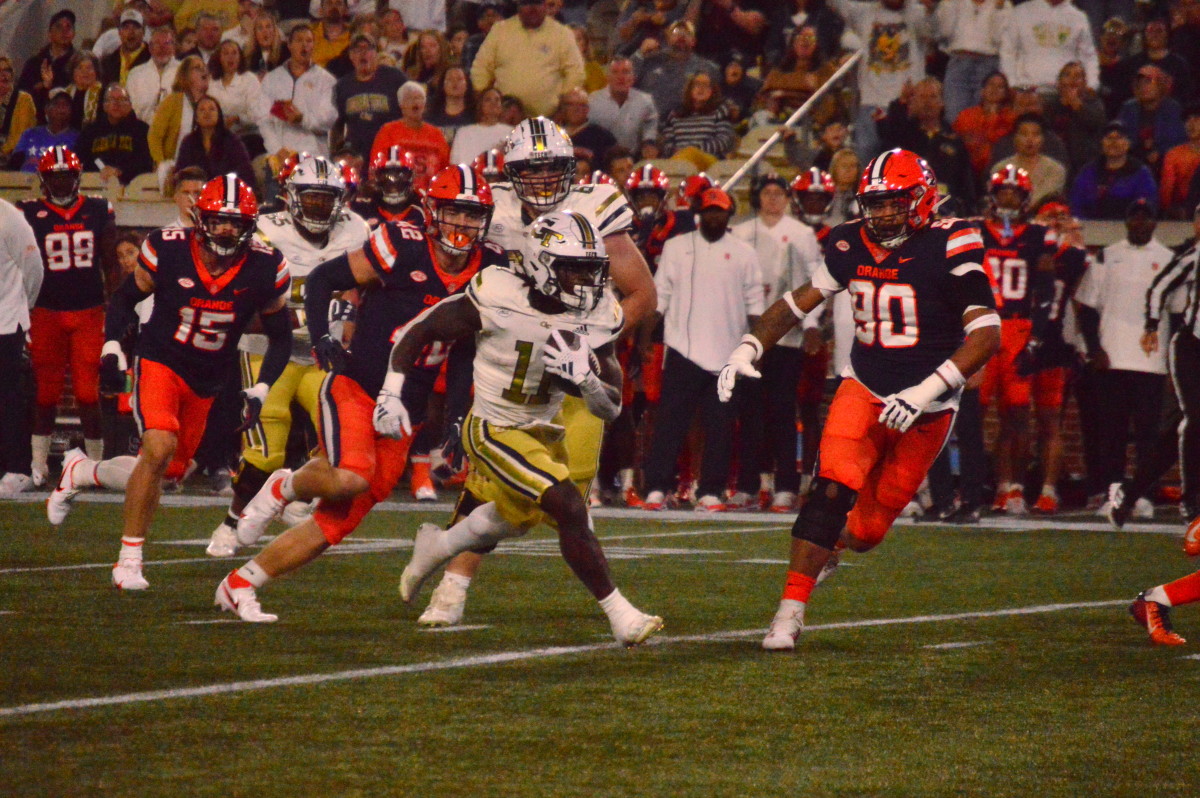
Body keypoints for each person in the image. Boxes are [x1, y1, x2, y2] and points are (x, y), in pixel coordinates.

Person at [717, 148, 1000, 650]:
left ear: (922, 199)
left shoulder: (954, 239)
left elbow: (986, 334)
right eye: (876, 203)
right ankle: (788, 614)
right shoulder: (849, 241)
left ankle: (833, 547)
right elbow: (797, 301)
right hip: (864, 387)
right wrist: (750, 345)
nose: (884, 213)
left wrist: (926, 390)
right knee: (830, 488)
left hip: (929, 406)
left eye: (894, 203)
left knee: (867, 532)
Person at [208, 165, 502, 618]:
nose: (461, 225)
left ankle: (242, 582)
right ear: (432, 212)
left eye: (471, 215)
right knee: (352, 476)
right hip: (357, 385)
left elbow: (465, 353)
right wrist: (325, 334)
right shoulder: (401, 244)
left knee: (338, 520)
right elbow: (325, 279)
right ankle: (283, 485)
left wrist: (459, 415)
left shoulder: (490, 269)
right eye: (453, 212)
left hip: (409, 409)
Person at [414, 117, 655, 628]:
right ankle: (453, 587)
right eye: (532, 171)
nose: (544, 181)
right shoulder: (492, 206)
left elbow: (642, 295)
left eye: (553, 171)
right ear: (511, 172)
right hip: (511, 361)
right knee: (490, 480)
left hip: (577, 364)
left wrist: (586, 345)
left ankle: (443, 554)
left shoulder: (594, 206)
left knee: (567, 489)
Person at [383, 208, 664, 646]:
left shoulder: (596, 313)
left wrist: (587, 379)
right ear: (541, 263)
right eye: (574, 269)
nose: (585, 282)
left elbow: (610, 408)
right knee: (569, 506)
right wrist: (390, 391)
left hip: (544, 429)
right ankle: (621, 615)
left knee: (514, 520)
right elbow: (418, 331)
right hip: (493, 427)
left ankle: (436, 547)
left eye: (590, 270)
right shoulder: (498, 293)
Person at [46, 174, 293, 592]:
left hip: (209, 378)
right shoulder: (170, 248)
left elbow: (281, 335)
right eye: (218, 220)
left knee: (167, 470)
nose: (227, 230)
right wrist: (111, 347)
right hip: (161, 359)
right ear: (201, 219)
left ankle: (82, 471)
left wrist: (262, 387)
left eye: (235, 222)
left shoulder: (266, 264)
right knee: (158, 446)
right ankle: (129, 558)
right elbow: (126, 298)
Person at [206, 156, 370, 556]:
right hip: (269, 349)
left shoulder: (356, 229)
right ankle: (231, 522)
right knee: (266, 451)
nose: (318, 208)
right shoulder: (264, 230)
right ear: (290, 198)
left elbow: (361, 288)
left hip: (323, 354)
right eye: (310, 199)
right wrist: (286, 321)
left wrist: (350, 319)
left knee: (341, 442)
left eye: (326, 199)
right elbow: (239, 302)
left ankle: (294, 495)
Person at [641, 188, 763, 512]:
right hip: (683, 348)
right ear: (698, 213)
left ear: (729, 214)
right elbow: (660, 296)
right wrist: (646, 338)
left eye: (719, 211)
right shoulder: (675, 247)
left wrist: (756, 349)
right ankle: (656, 488)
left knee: (720, 427)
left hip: (728, 354)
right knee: (669, 423)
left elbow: (756, 306)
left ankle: (711, 491)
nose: (714, 217)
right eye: (708, 211)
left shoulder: (743, 253)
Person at [16, 147, 117, 487]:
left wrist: (116, 308)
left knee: (88, 394)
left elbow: (111, 266)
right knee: (46, 393)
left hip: (89, 311)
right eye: (54, 175)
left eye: (67, 175)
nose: (61, 181)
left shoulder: (98, 209)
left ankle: (97, 466)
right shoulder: (28, 212)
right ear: (44, 179)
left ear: (77, 177)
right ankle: (39, 464)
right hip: (46, 312)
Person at [730, 175, 824, 512]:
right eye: (767, 192)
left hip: (787, 334)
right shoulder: (742, 232)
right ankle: (749, 484)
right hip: (751, 334)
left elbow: (814, 283)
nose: (773, 199)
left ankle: (786, 484)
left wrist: (811, 323)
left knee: (784, 411)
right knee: (750, 412)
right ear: (757, 197)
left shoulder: (801, 234)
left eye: (779, 192)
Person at [1075, 198, 1173, 513]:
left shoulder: (1169, 259)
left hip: (1151, 361)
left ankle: (1143, 495)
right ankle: (1112, 493)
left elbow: (1180, 312)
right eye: (1135, 217)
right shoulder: (1107, 256)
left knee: (1147, 434)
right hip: (1111, 359)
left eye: (1146, 218)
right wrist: (1094, 349)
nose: (1140, 223)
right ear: (1127, 221)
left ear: (1155, 223)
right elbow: (1087, 307)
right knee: (1111, 433)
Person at [1108, 202, 1200, 529]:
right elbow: (1160, 285)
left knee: (1176, 432)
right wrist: (1150, 325)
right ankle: (1192, 505)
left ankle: (1130, 495)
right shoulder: (1195, 255)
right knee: (1195, 420)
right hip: (1193, 346)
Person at [975, 166, 1058, 515]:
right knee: (971, 412)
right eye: (1003, 191)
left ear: (1025, 198)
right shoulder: (975, 231)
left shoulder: (1040, 236)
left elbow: (1046, 292)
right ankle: (981, 485)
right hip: (980, 325)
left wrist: (1036, 338)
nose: (1008, 197)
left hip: (1017, 326)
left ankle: (1015, 487)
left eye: (1015, 192)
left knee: (1017, 414)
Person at [829, 0, 932, 163]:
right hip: (872, 102)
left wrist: (930, 8)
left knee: (904, 162)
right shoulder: (864, 13)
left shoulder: (917, 13)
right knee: (866, 158)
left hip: (907, 105)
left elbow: (933, 33)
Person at [470, 0, 584, 118]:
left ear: (545, 5)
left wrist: (563, 107)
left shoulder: (562, 33)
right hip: (504, 118)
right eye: (526, 3)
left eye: (537, 3)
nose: (532, 8)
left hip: (549, 118)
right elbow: (480, 68)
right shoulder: (499, 30)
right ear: (518, 6)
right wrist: (483, 101)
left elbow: (576, 73)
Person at [0, 198, 44, 498]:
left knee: (8, 398)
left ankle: (17, 469)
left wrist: (21, 308)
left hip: (5, 321)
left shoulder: (8, 217)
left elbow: (34, 268)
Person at [261, 24, 338, 160]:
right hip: (279, 156)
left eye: (309, 41)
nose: (304, 45)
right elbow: (263, 120)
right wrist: (277, 149)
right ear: (289, 45)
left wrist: (302, 119)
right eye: (299, 40)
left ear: (313, 45)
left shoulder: (326, 80)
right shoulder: (272, 79)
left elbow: (328, 120)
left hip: (314, 156)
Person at [931, 0, 1011, 126]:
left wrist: (999, 8)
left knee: (982, 120)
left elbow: (998, 38)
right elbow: (944, 32)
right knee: (954, 118)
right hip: (959, 63)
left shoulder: (1003, 4)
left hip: (988, 66)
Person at [998, 0, 1098, 94]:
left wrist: (1091, 85)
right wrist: (1012, 84)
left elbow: (1088, 56)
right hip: (1028, 91)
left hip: (1066, 93)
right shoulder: (1020, 12)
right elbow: (1008, 52)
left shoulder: (1078, 17)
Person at [333, 32, 405, 162]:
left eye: (368, 49)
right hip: (357, 154)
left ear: (376, 53)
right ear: (351, 56)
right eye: (357, 49)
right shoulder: (343, 85)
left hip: (391, 150)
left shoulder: (394, 78)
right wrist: (336, 153)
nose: (363, 53)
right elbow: (337, 125)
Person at [630, 20, 720, 120]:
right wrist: (639, 54)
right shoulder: (650, 59)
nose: (681, 37)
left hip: (683, 125)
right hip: (644, 122)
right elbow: (626, 80)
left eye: (686, 34)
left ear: (694, 41)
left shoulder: (706, 68)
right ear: (668, 39)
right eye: (676, 33)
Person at [369, 82, 449, 191]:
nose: (415, 102)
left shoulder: (436, 134)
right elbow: (375, 167)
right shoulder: (388, 131)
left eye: (419, 98)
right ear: (401, 104)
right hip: (397, 194)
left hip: (430, 196)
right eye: (409, 98)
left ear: (424, 104)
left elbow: (445, 170)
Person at [1069, 121, 1157, 220]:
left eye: (1119, 137)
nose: (1113, 142)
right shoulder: (1088, 172)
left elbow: (1146, 208)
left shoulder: (1141, 173)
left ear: (1128, 143)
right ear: (1102, 143)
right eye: (1109, 138)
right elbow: (1076, 205)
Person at [76, 84, 155, 186]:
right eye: (111, 99)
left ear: (130, 104)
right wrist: (102, 169)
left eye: (122, 99)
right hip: (95, 185)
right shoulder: (91, 131)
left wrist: (119, 171)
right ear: (104, 105)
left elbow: (145, 163)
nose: (116, 104)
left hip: (131, 187)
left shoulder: (142, 130)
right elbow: (83, 159)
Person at [1116, 65, 1187, 175]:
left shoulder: (1173, 109)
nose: (1144, 87)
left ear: (1160, 85)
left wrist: (1160, 152)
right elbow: (1120, 135)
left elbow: (1179, 140)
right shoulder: (1128, 108)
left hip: (1165, 164)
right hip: (1133, 162)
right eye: (1140, 83)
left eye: (1148, 82)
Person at [657, 72, 736, 171]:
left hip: (709, 163)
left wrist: (695, 150)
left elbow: (723, 141)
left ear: (713, 90)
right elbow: (667, 143)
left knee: (690, 153)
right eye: (697, 84)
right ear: (690, 88)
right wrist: (678, 151)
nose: (701, 89)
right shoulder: (675, 114)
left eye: (706, 85)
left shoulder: (720, 111)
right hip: (679, 159)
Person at [174, 95, 256, 187]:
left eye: (212, 109)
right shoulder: (188, 142)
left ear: (219, 115)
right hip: (196, 193)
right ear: (196, 118)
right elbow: (180, 173)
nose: (207, 113)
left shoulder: (232, 140)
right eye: (202, 110)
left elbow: (246, 173)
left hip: (226, 193)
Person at [989, 114, 1067, 210]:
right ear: (1014, 138)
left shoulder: (1055, 169)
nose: (1030, 140)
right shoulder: (1001, 168)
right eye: (1024, 134)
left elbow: (1045, 199)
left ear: (1043, 139)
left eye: (1035, 134)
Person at [587, 57, 658, 158]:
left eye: (625, 72)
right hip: (600, 159)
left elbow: (650, 125)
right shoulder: (592, 101)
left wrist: (648, 142)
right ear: (607, 77)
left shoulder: (645, 101)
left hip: (633, 158)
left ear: (633, 77)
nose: (620, 77)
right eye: (615, 72)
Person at [148, 55, 210, 168]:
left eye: (204, 67)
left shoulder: (210, 103)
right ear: (185, 75)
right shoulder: (172, 101)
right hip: (172, 168)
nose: (203, 70)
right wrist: (162, 165)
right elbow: (154, 136)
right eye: (197, 67)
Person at [206, 38, 265, 156]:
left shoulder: (249, 79)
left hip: (248, 137)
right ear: (219, 58)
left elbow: (258, 114)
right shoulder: (212, 82)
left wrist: (237, 118)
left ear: (240, 57)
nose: (230, 57)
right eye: (226, 53)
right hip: (219, 137)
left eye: (234, 53)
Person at [952, 71, 1015, 179]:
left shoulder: (1012, 118)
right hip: (968, 172)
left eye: (1000, 87)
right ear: (982, 90)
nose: (994, 89)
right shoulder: (965, 116)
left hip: (1002, 172)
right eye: (991, 85)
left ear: (1006, 93)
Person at [350, 146, 426, 228]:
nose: (393, 183)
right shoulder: (363, 205)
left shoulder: (422, 204)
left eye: (400, 176)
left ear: (411, 177)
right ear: (377, 177)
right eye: (386, 176)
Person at [9, 89, 79, 173]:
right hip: (26, 182)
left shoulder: (78, 138)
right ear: (46, 109)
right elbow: (14, 164)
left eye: (66, 105)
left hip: (60, 183)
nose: (61, 109)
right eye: (56, 104)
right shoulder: (30, 134)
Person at [17, 10, 78, 98]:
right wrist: (43, 86)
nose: (64, 31)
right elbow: (21, 95)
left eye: (69, 27)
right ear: (49, 33)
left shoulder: (77, 63)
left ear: (73, 34)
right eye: (59, 26)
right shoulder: (34, 63)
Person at [128, 26, 181, 124]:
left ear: (174, 47)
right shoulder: (135, 74)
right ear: (150, 48)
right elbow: (131, 109)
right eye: (157, 44)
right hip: (143, 130)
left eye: (166, 43)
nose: (162, 48)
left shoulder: (184, 70)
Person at [555, 88, 614, 170]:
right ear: (562, 108)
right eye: (570, 104)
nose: (576, 109)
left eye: (582, 105)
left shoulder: (602, 137)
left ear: (588, 109)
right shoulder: (550, 134)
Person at [448, 87, 510, 165]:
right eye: (488, 100)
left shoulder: (512, 132)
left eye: (497, 100)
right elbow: (454, 164)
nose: (493, 103)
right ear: (480, 105)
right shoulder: (463, 133)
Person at [1162, 107, 1200, 219]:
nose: (1191, 124)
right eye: (1187, 120)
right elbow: (1166, 192)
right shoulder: (1173, 154)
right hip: (1183, 213)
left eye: (1197, 119)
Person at [0, 58, 38, 163]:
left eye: (6, 70)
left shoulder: (23, 99)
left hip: (15, 159)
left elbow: (22, 135)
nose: (3, 75)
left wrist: (3, 151)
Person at [426, 65, 476, 144]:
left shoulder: (476, 116)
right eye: (450, 79)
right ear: (443, 85)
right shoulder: (430, 117)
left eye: (459, 79)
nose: (455, 82)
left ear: (467, 85)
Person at [101, 8, 151, 86]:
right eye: (126, 27)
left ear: (143, 32)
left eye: (136, 27)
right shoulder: (107, 63)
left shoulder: (152, 59)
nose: (131, 32)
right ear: (119, 32)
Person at [246, 12, 289, 78]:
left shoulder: (285, 50)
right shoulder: (249, 55)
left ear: (274, 30)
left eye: (268, 27)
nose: (265, 31)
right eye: (260, 28)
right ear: (255, 33)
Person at [312, 0, 352, 68]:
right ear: (320, 10)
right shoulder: (309, 33)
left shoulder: (354, 35)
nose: (334, 7)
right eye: (329, 3)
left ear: (346, 10)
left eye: (338, 3)